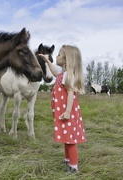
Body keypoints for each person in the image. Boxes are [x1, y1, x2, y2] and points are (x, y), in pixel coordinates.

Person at [39, 45, 86, 174]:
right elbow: (54, 73)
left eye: (59, 54)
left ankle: (73, 166)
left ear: (66, 60)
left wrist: (67, 112)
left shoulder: (68, 76)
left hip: (67, 112)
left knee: (70, 140)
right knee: (66, 136)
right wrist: (47, 60)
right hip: (63, 111)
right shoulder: (62, 74)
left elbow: (71, 93)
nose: (56, 56)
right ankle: (67, 159)